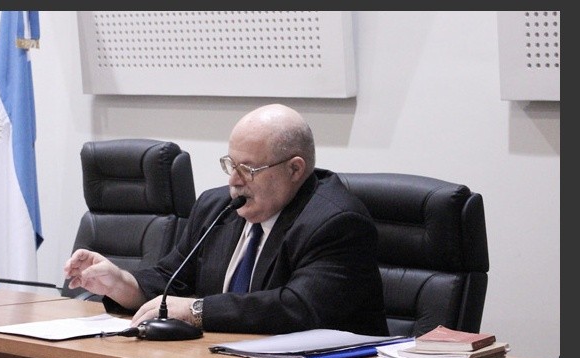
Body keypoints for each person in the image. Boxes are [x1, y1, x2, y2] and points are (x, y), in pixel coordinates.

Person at [63, 104, 389, 336]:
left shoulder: (336, 222)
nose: (234, 180)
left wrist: (197, 312)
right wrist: (121, 284)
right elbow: (171, 280)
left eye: (248, 169)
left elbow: (298, 308)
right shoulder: (216, 206)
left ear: (295, 169)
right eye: (230, 164)